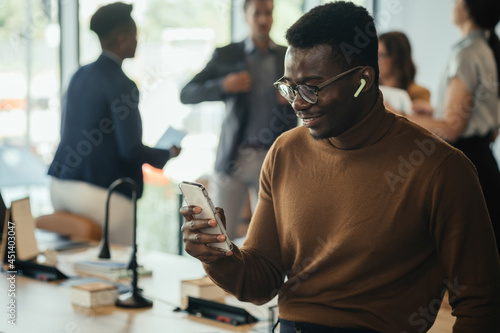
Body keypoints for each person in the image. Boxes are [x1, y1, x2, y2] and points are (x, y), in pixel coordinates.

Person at [180, 2, 500, 332]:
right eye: (289, 87)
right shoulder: (285, 152)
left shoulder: (441, 170)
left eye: (312, 87)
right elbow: (260, 282)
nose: (298, 103)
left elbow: (481, 303)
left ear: (363, 79)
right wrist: (217, 254)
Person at [48, 2, 180, 245]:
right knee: (121, 274)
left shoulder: (79, 74)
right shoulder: (122, 84)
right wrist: (167, 153)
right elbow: (130, 150)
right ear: (122, 39)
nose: (137, 41)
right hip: (98, 193)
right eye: (135, 35)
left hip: (59, 186)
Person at [179, 0, 296, 240]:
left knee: (272, 238)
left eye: (268, 13)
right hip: (235, 157)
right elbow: (187, 93)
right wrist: (224, 85)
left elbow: (310, 94)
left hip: (274, 158)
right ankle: (219, 279)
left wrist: (293, 95)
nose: (264, 20)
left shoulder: (288, 56)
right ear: (246, 16)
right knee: (221, 235)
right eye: (257, 14)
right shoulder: (227, 54)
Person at [405, 0, 500, 255]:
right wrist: (434, 111)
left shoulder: (467, 53)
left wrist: (398, 115)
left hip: (468, 164)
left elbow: (451, 129)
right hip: (483, 160)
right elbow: (486, 120)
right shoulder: (486, 48)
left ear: (469, 8)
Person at [378, 31, 431, 102]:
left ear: (397, 58)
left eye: (381, 55)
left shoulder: (419, 93)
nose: (376, 60)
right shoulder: (369, 91)